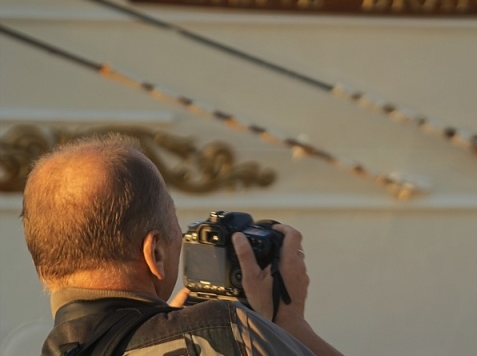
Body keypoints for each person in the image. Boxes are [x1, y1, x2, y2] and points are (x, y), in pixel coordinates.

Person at [21, 134, 343, 355]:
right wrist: (289, 325)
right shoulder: (225, 332)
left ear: (42, 267)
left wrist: (158, 321)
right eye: (178, 233)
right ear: (155, 253)